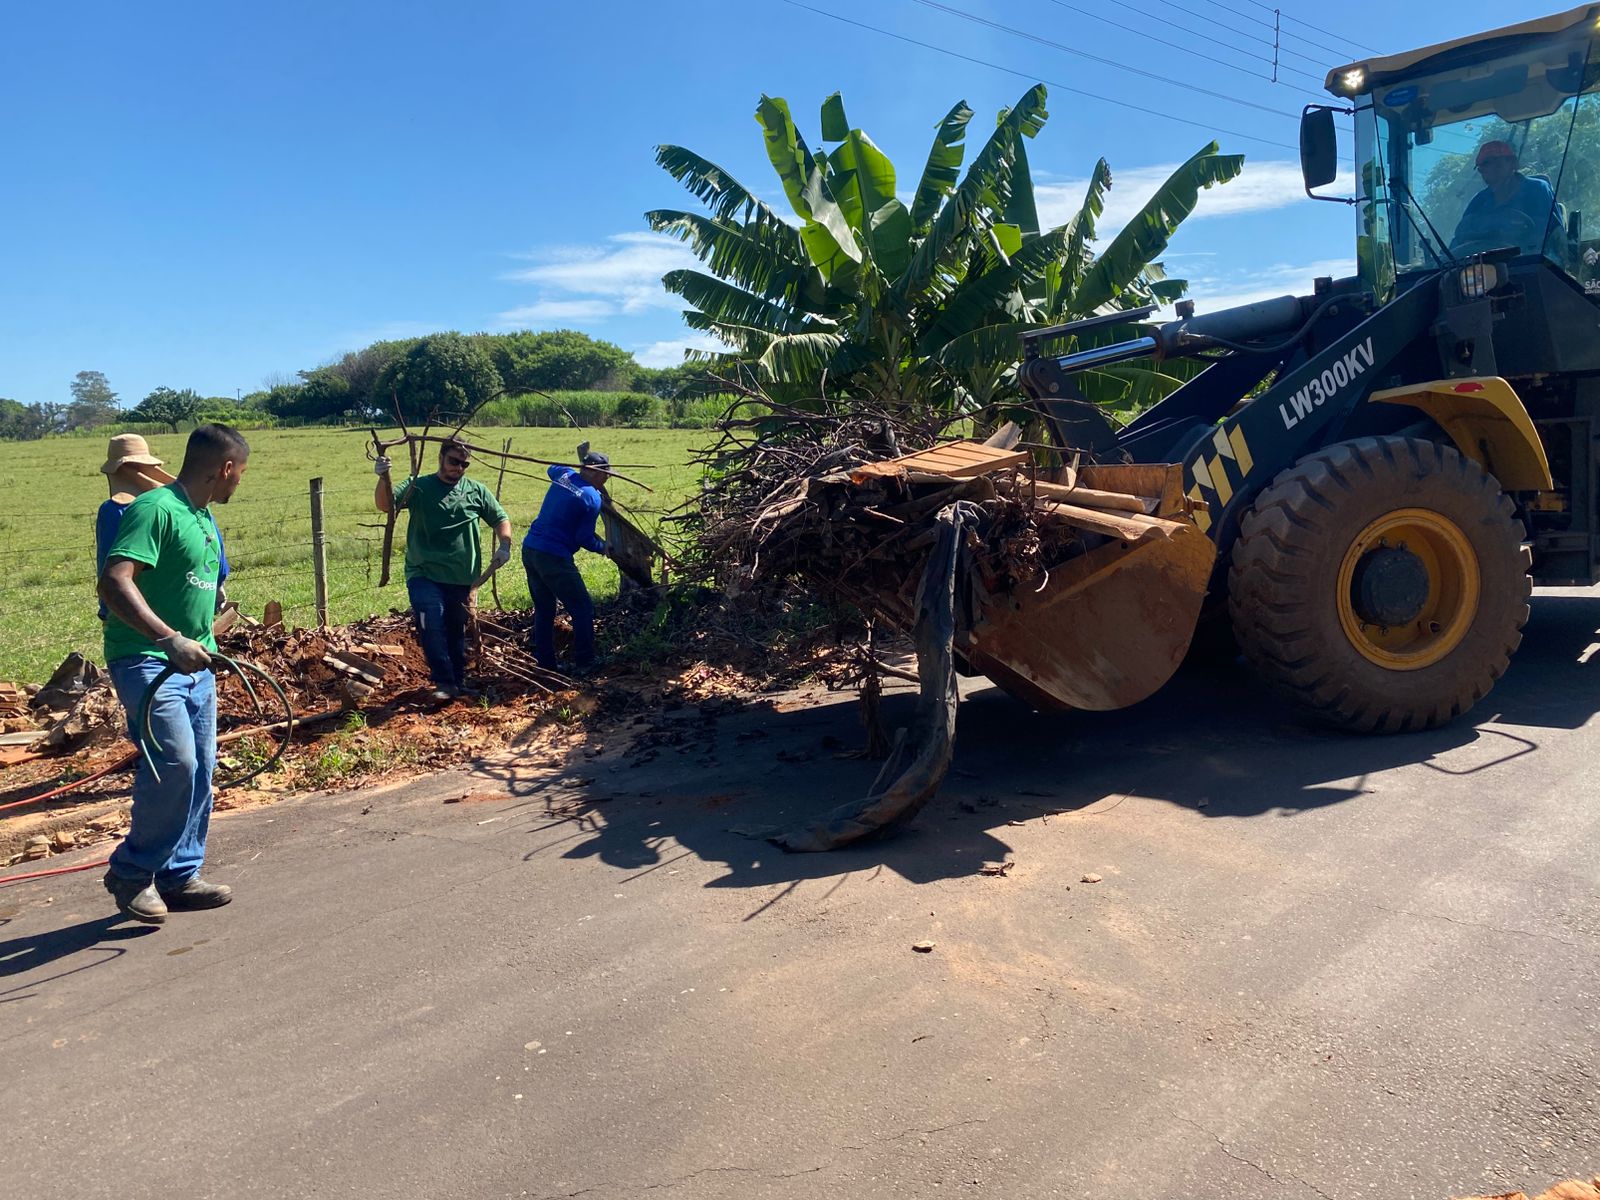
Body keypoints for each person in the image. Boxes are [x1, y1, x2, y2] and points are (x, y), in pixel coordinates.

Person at [98, 424, 250, 925]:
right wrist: (168, 637)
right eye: (240, 475)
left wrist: (210, 607)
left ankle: (180, 873)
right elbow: (114, 582)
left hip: (197, 665)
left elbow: (195, 578)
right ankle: (132, 870)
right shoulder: (153, 509)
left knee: (201, 771)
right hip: (147, 660)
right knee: (176, 763)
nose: (238, 486)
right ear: (226, 468)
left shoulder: (202, 517)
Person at [374, 438, 512, 703]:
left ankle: (457, 682)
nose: (458, 468)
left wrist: (505, 544)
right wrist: (383, 477)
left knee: (454, 630)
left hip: (462, 577)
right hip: (423, 572)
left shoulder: (476, 491)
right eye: (453, 461)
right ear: (440, 457)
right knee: (431, 621)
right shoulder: (419, 486)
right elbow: (386, 505)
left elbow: (500, 518)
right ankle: (445, 682)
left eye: (464, 464)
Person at [95, 433, 230, 621]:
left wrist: (106, 608)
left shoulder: (114, 511)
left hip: (140, 615)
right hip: (190, 603)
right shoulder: (185, 502)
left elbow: (108, 566)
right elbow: (213, 547)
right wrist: (217, 585)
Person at [522, 445, 612, 673]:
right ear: (594, 472)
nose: (608, 478)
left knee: (544, 609)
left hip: (531, 549)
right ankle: (585, 663)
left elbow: (551, 469)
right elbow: (583, 537)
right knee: (582, 609)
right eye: (606, 473)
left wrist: (574, 470)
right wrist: (603, 548)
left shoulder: (564, 474)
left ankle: (545, 664)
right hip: (554, 556)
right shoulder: (592, 498)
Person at [1452, 139, 1557, 256]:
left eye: (1497, 163)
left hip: (1528, 264)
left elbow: (1553, 236)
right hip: (1482, 269)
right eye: (1484, 166)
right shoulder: (1478, 202)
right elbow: (1459, 240)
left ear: (1513, 163)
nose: (1490, 169)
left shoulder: (1538, 189)